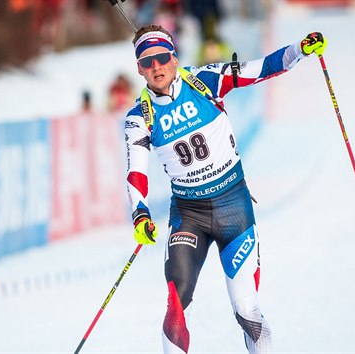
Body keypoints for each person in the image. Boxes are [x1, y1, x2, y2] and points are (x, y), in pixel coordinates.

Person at [124, 25, 327, 353]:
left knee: (246, 309)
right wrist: (140, 214)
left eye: (162, 57)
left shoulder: (204, 79)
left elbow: (261, 68)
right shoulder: (139, 117)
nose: (156, 67)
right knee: (177, 304)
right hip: (188, 214)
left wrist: (301, 49)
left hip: (233, 205)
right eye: (147, 62)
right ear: (139, 69)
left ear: (175, 59)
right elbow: (136, 173)